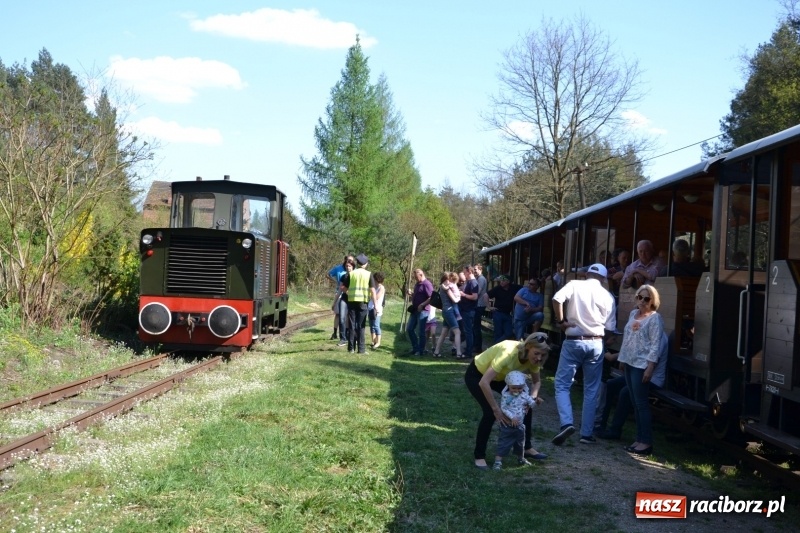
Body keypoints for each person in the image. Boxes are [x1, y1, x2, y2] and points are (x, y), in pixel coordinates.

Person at [551, 263, 617, 446]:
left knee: (562, 384)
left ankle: (566, 423)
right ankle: (586, 434)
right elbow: (610, 327)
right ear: (603, 279)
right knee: (592, 389)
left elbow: (557, 299)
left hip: (573, 340)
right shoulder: (608, 296)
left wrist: (561, 321)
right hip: (596, 342)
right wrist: (606, 339)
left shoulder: (574, 284)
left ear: (587, 274)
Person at [464, 332, 550, 470]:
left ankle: (526, 448)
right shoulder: (508, 352)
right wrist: (496, 409)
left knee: (525, 404)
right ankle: (479, 456)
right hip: (477, 375)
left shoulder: (533, 359)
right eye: (537, 353)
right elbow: (484, 382)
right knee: (489, 413)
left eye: (542, 355)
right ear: (528, 347)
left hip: (500, 379)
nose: (539, 358)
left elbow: (537, 382)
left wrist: (531, 399)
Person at [616, 284, 665, 456]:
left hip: (641, 365)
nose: (642, 301)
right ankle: (639, 439)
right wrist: (622, 358)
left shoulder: (655, 318)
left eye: (646, 298)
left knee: (641, 404)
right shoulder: (632, 314)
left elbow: (655, 344)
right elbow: (627, 338)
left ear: (653, 301)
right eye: (640, 297)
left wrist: (650, 366)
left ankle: (646, 443)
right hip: (629, 362)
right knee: (635, 403)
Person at [596, 332, 668, 440]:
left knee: (625, 392)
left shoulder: (660, 337)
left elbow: (652, 362)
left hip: (653, 379)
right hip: (638, 374)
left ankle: (615, 430)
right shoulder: (646, 333)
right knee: (610, 384)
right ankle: (600, 424)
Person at [492, 370, 538, 470]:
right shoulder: (507, 396)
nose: (516, 390)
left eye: (520, 388)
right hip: (507, 425)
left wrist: (536, 401)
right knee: (504, 442)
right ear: (508, 386)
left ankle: (521, 458)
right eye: (514, 388)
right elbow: (504, 408)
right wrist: (512, 417)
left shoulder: (524, 395)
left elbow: (531, 404)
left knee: (520, 443)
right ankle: (498, 461)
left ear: (523, 387)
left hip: (520, 425)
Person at [343, 254, 377, 354]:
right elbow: (373, 291)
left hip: (352, 301)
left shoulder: (352, 274)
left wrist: (349, 293)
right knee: (361, 326)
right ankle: (361, 349)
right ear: (366, 264)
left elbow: (344, 288)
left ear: (357, 263)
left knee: (352, 325)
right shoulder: (368, 274)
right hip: (363, 302)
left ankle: (351, 348)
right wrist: (375, 305)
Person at [433, 272, 463, 358]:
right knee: (458, 332)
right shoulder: (447, 288)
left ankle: (436, 351)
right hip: (449, 311)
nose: (451, 281)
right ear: (446, 279)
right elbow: (455, 300)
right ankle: (459, 353)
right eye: (450, 279)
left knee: (444, 333)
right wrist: (459, 297)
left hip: (446, 311)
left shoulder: (443, 286)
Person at [406, 269, 434, 356]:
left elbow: (431, 297)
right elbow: (418, 294)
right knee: (409, 329)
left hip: (423, 311)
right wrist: (411, 294)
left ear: (421, 275)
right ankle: (415, 347)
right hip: (414, 310)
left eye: (416, 277)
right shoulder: (417, 284)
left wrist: (422, 304)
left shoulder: (427, 284)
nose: (415, 279)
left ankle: (421, 350)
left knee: (421, 331)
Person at [486, 275, 520, 344]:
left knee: (509, 333)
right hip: (498, 313)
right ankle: (495, 349)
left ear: (508, 281)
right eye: (501, 280)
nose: (501, 282)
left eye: (503, 280)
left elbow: (524, 288)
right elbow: (485, 295)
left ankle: (495, 346)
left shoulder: (513, 287)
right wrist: (489, 307)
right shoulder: (497, 289)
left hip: (507, 314)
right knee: (498, 333)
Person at [459, 265, 479, 359]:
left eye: (464, 272)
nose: (464, 274)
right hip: (465, 309)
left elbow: (475, 297)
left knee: (468, 332)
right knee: (467, 331)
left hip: (469, 310)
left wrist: (463, 295)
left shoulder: (473, 283)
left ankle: (469, 352)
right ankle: (468, 349)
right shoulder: (469, 282)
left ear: (469, 272)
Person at [335, 258, 355, 347]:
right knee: (342, 318)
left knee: (352, 320)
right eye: (346, 266)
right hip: (344, 299)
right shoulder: (344, 276)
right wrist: (334, 302)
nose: (348, 267)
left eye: (349, 266)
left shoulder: (356, 276)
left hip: (353, 299)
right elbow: (340, 289)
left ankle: (352, 337)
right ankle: (342, 339)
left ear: (353, 266)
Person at [369, 272, 386, 349]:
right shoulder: (373, 286)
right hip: (370, 307)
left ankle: (378, 342)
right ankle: (373, 341)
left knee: (376, 325)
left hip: (377, 309)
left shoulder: (381, 287)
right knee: (371, 326)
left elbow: (377, 297)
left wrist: (372, 294)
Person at [473, 264, 488, 353]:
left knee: (476, 327)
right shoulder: (478, 278)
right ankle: (475, 346)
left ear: (480, 269)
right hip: (477, 304)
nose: (474, 271)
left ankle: (478, 347)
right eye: (474, 269)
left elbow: (477, 291)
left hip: (479, 305)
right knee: (475, 327)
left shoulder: (481, 279)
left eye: (475, 269)